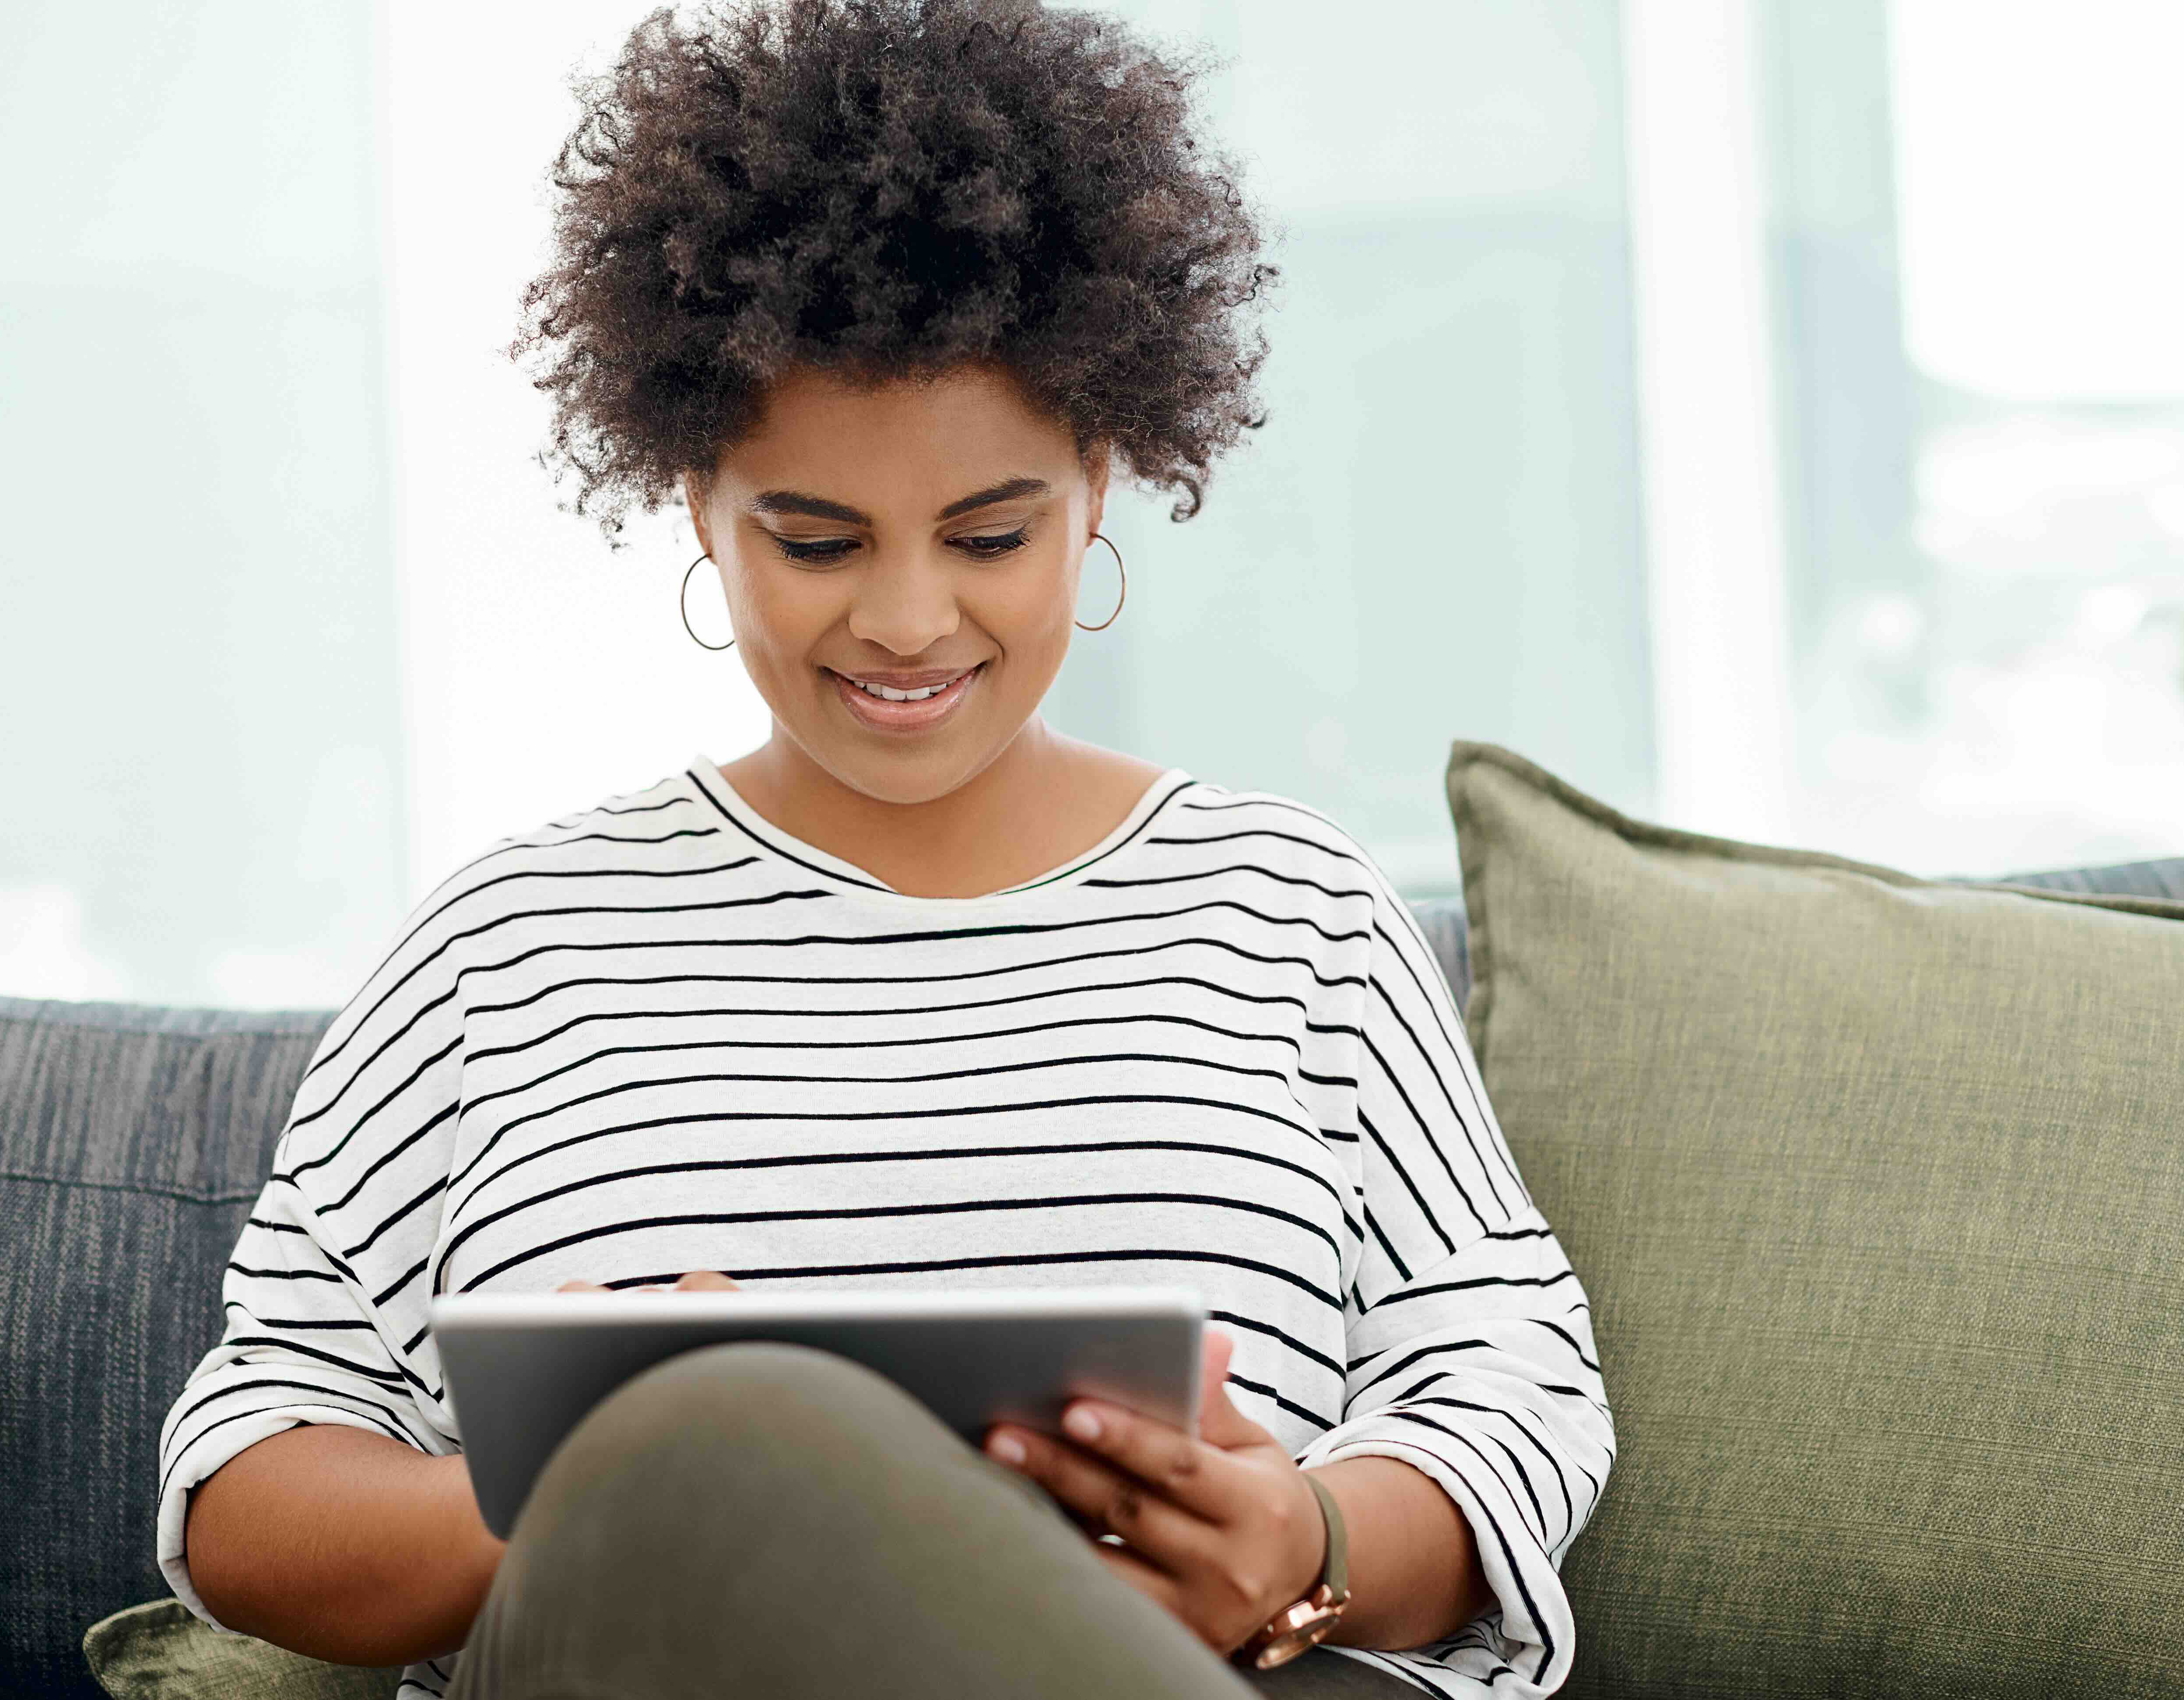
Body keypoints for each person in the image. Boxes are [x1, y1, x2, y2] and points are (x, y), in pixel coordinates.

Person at [155, 2, 1614, 1695]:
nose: (909, 621)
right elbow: (243, 1479)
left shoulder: (1289, 917)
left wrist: (1310, 1545)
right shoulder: (513, 947)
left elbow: (1511, 1374)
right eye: (816, 537)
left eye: (991, 533)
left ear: (1101, 471)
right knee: (711, 1434)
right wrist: (625, 1484)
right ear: (700, 494)